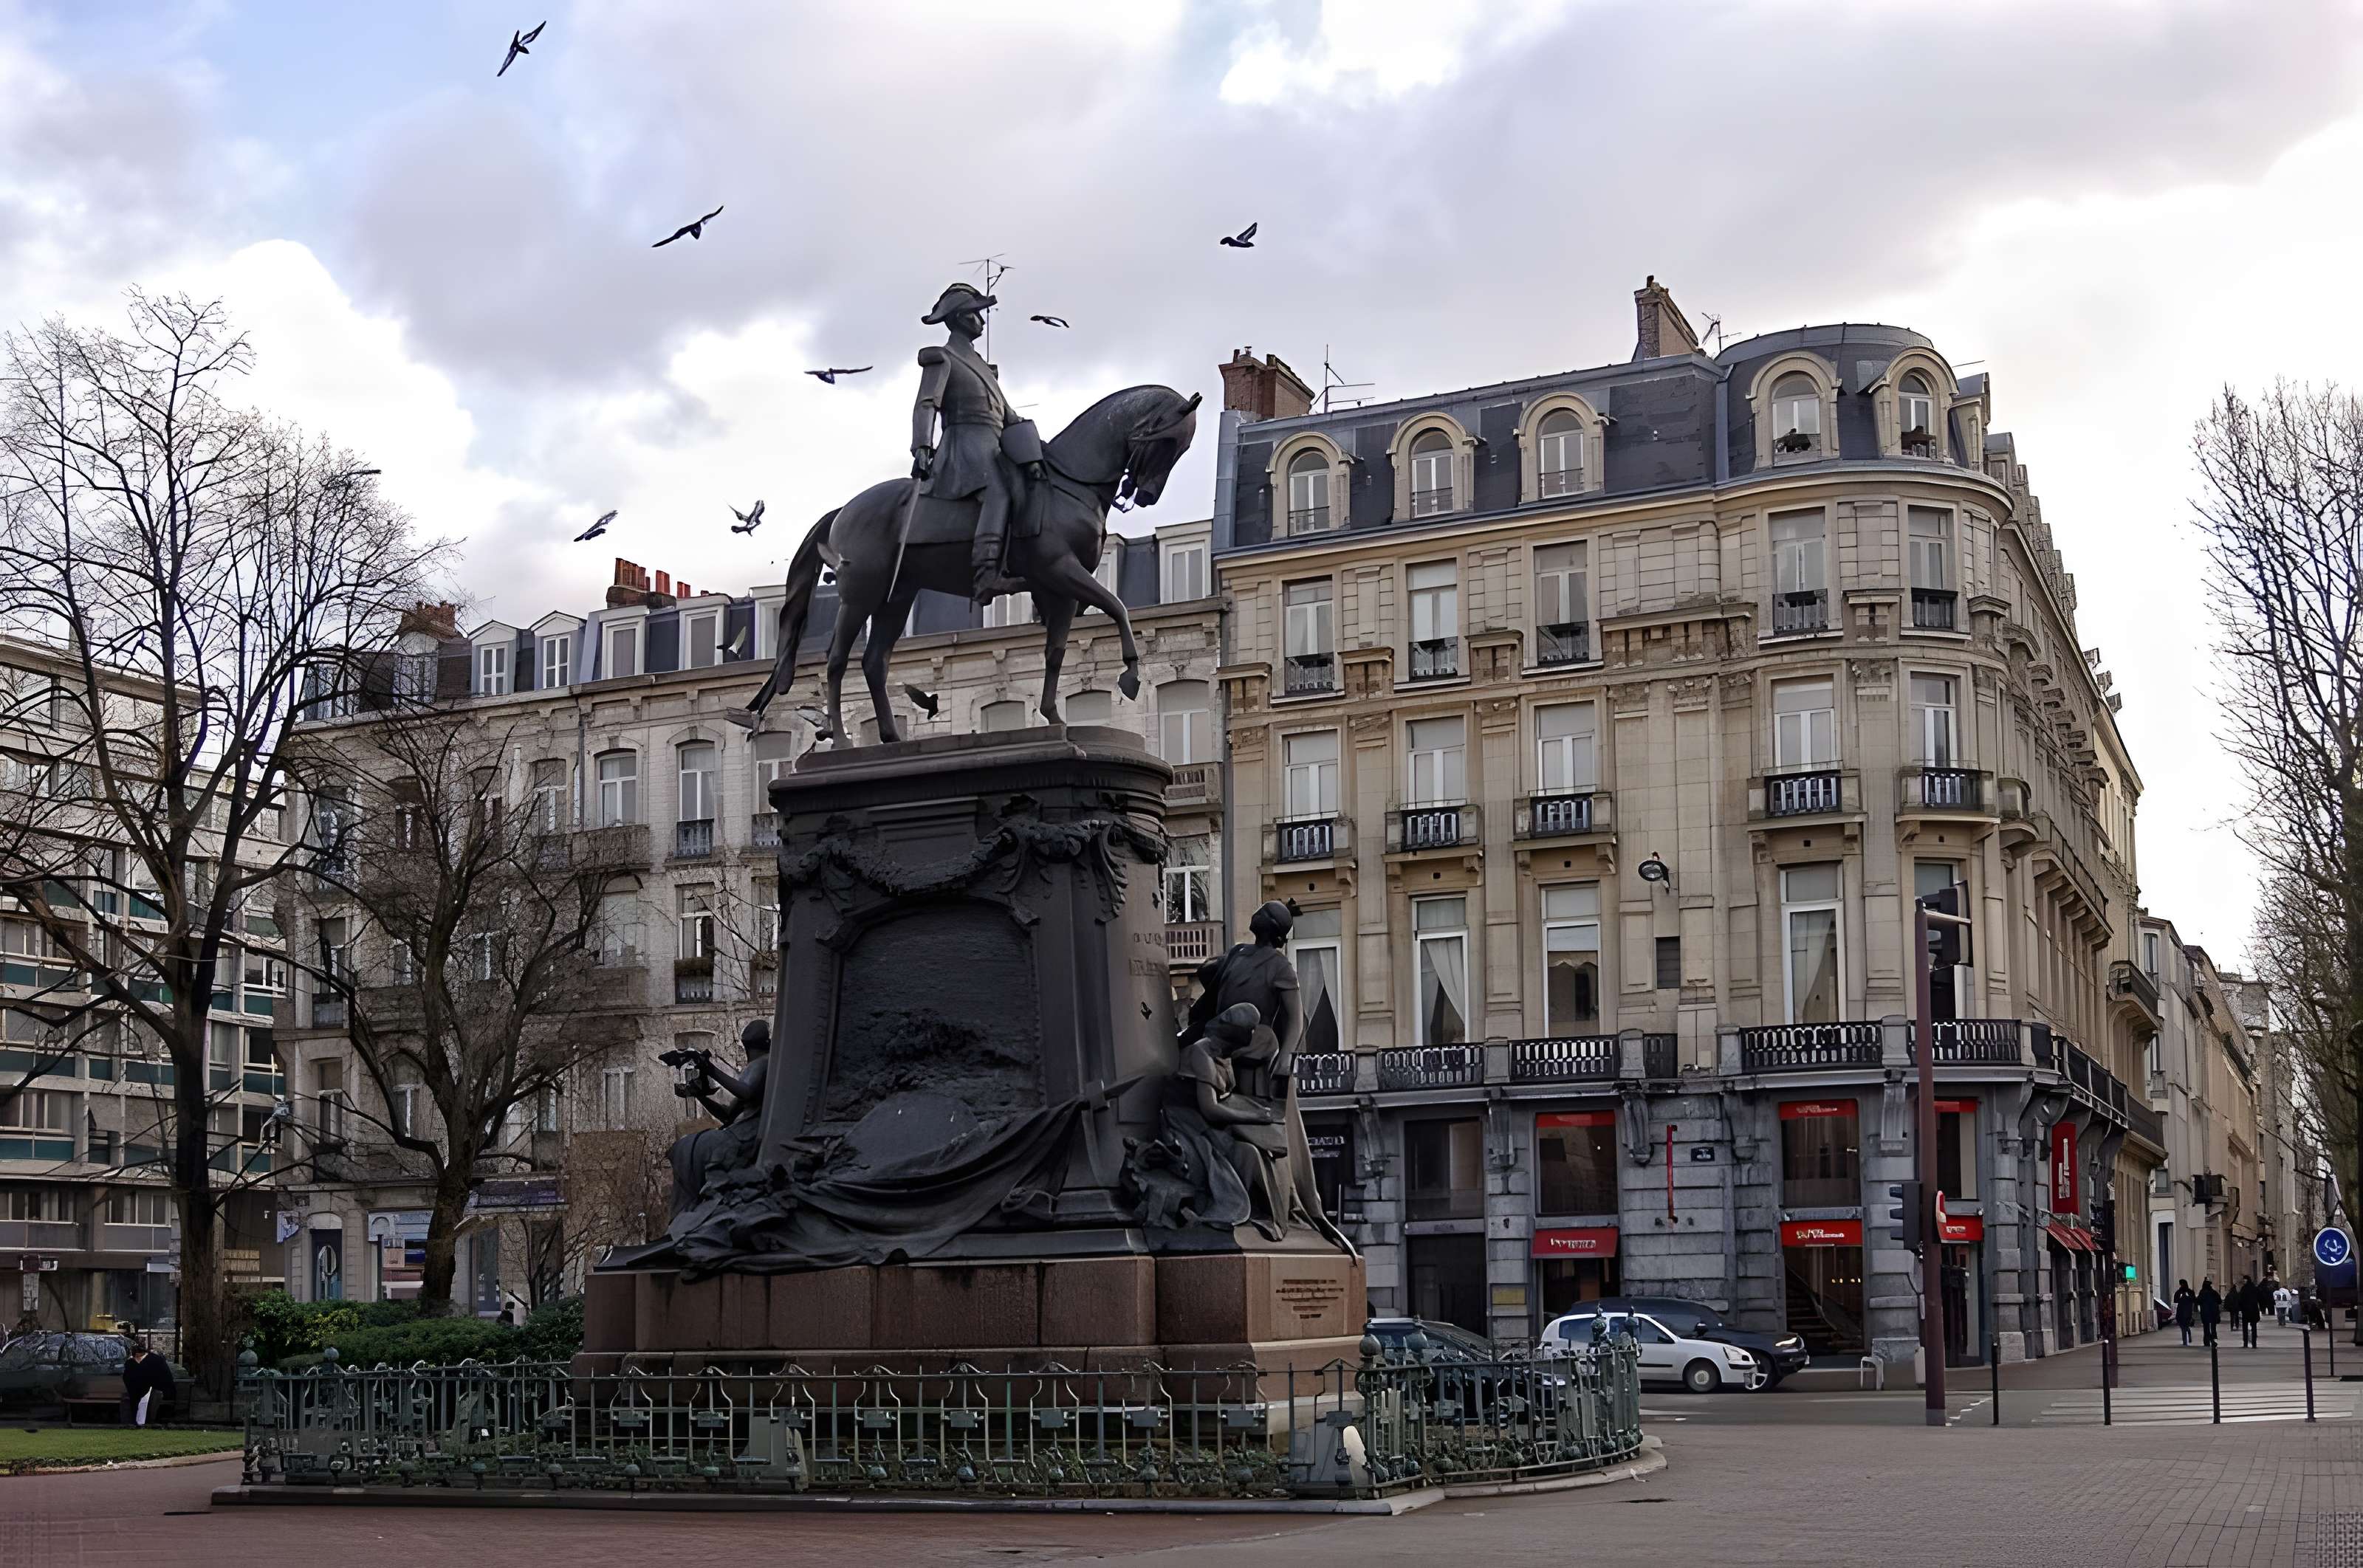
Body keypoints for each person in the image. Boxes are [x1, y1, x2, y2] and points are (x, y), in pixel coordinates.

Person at [909, 281, 1043, 601]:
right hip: (964, 445)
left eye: (981, 315)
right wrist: (923, 447)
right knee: (999, 488)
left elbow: (1008, 415)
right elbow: (927, 403)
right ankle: (986, 574)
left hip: (995, 443)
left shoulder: (983, 367)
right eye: (974, 315)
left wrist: (1037, 448)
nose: (981, 321)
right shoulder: (943, 357)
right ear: (957, 319)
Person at [120, 1342, 173, 1428]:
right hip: (143, 1388)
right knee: (135, 1399)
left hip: (153, 1388)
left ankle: (142, 1421)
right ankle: (138, 1421)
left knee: (143, 1399)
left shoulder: (152, 1361)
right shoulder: (134, 1362)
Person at [2236, 1273, 2261, 1348]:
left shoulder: (2244, 1289)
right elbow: (2259, 1298)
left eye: (2245, 1279)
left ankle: (2246, 1343)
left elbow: (2240, 1299)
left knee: (2245, 1327)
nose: (2244, 1281)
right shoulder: (2254, 1288)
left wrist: (2240, 1308)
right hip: (2253, 1310)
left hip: (2246, 1310)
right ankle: (2254, 1343)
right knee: (2253, 1327)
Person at [2198, 1277, 2222, 1347]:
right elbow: (2219, 1301)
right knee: (2213, 1328)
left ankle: (2207, 1341)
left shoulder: (2202, 1293)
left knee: (2206, 1328)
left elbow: (2198, 1301)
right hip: (2214, 1313)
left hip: (2205, 1313)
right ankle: (2214, 1339)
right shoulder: (2214, 1292)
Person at [2173, 1279, 2195, 1347]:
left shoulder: (2190, 1292)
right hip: (2181, 1310)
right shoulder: (2179, 1292)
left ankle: (2185, 1341)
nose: (2182, 1285)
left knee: (2184, 1326)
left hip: (2188, 1310)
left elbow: (2194, 1300)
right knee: (2183, 1326)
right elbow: (2175, 1300)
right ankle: (2187, 1333)